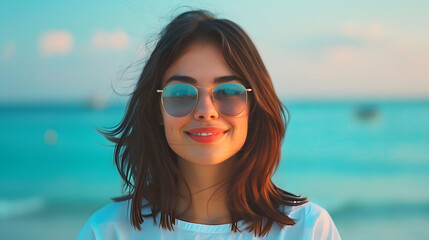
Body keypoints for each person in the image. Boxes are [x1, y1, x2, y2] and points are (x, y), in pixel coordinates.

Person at [78, 10, 341, 240]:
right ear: (157, 110)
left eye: (227, 92)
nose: (206, 111)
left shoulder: (307, 230)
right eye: (181, 93)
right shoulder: (107, 232)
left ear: (254, 107)